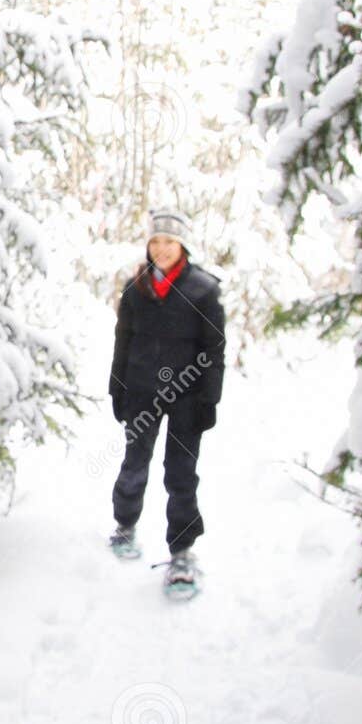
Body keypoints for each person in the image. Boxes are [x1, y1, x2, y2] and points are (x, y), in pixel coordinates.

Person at [106, 208, 225, 596]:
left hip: (187, 396)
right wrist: (117, 387)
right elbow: (123, 340)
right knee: (134, 463)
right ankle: (124, 525)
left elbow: (214, 349)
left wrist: (210, 398)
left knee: (181, 474)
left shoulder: (203, 290)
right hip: (141, 390)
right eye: (155, 241)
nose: (161, 248)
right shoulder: (135, 288)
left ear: (182, 246)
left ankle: (183, 553)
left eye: (169, 242)